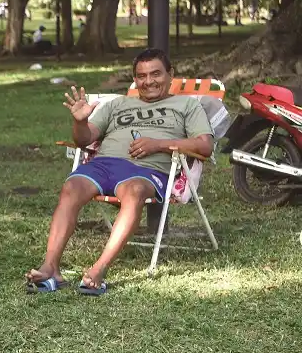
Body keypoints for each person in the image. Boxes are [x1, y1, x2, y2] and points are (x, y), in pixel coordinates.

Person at [26, 48, 214, 295]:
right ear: (135, 79)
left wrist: (158, 144)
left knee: (134, 191)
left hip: (147, 170)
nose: (148, 82)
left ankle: (98, 269)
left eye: (156, 74)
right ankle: (51, 268)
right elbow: (85, 139)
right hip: (104, 164)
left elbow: (205, 145)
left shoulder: (186, 105)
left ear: (171, 74)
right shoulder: (117, 104)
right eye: (141, 76)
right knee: (71, 188)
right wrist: (80, 121)